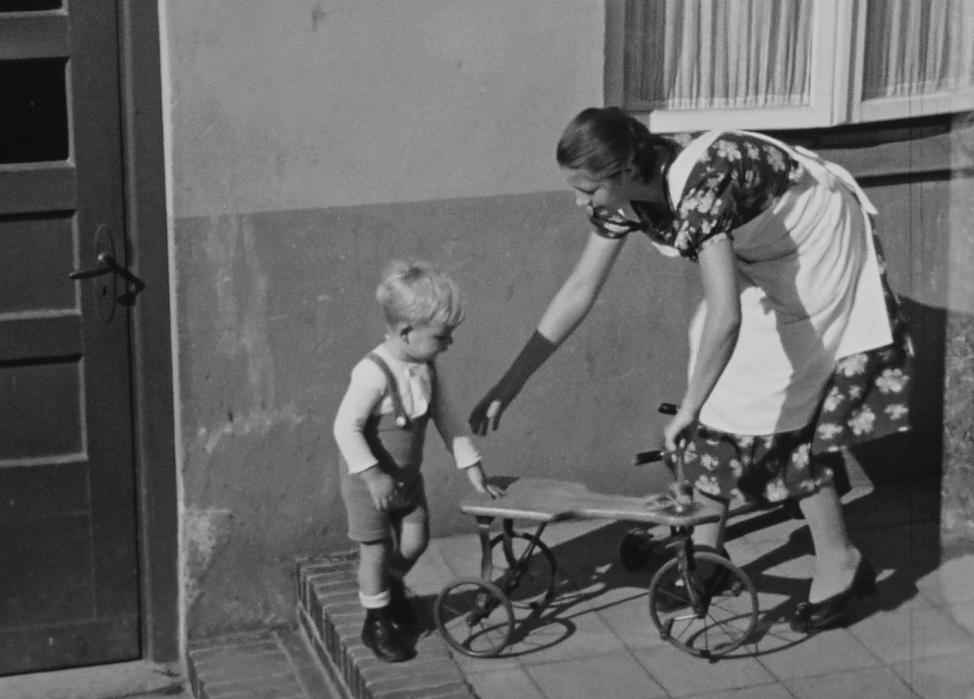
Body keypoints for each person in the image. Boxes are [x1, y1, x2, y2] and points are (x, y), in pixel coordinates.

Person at [469, 107, 913, 633]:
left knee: (770, 401)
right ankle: (706, 555)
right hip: (761, 253)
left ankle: (841, 563)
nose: (579, 201)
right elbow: (579, 290)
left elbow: (728, 315)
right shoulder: (626, 196)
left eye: (588, 189)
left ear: (627, 170)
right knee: (711, 362)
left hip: (816, 247)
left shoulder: (702, 187)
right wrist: (511, 382)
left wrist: (689, 408)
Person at [334, 260, 502, 662]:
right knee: (374, 550)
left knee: (417, 539)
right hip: (367, 484)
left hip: (407, 479)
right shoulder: (372, 373)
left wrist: (473, 469)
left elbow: (448, 420)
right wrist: (373, 476)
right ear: (407, 332)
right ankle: (376, 621)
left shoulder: (427, 368)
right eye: (442, 336)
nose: (448, 344)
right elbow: (345, 428)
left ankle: (386, 590)